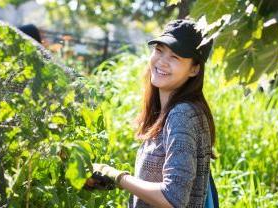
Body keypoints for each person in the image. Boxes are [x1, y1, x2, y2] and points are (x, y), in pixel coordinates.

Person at [85, 19, 217, 208]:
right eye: (159, 50)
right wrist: (110, 178)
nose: (162, 61)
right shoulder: (174, 111)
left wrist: (117, 176)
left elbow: (173, 198)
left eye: (175, 57)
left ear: (195, 69)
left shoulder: (182, 114)